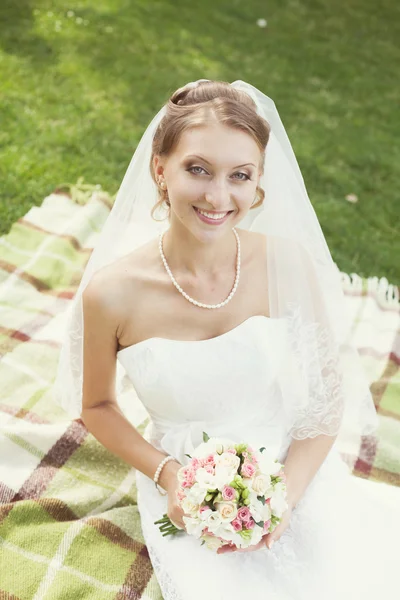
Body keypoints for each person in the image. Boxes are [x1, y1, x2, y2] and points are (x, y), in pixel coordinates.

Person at [53, 79, 400, 599]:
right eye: (198, 169)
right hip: (184, 486)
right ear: (159, 170)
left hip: (292, 467)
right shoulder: (111, 293)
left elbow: (327, 403)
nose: (219, 197)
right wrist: (170, 476)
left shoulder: (287, 265)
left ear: (259, 181)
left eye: (240, 176)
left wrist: (284, 495)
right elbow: (98, 405)